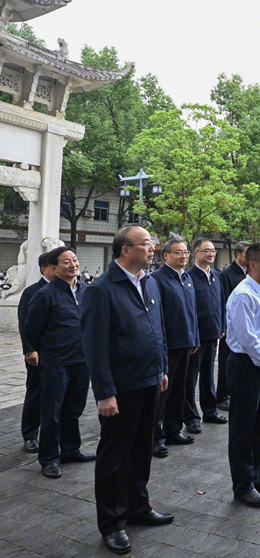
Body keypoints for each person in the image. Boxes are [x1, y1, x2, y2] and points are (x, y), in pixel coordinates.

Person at [82, 225, 172, 555]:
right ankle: (111, 523)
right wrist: (104, 392)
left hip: (149, 381)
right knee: (115, 457)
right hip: (121, 388)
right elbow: (94, 346)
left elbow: (157, 329)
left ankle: (138, 507)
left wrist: (161, 368)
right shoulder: (102, 289)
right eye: (146, 244)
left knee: (141, 450)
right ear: (126, 250)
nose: (153, 248)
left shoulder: (149, 282)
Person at [24, 246, 94, 478]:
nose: (73, 265)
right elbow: (32, 329)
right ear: (53, 268)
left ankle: (71, 450)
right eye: (66, 262)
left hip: (82, 360)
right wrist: (39, 350)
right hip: (56, 362)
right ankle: (49, 459)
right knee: (52, 413)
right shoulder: (44, 294)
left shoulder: (86, 290)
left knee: (73, 410)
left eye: (74, 260)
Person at [226, 242, 260, 508]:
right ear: (252, 264)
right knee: (242, 428)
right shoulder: (243, 295)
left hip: (259, 363)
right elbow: (247, 337)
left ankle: (255, 476)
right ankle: (242, 486)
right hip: (244, 365)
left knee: (257, 426)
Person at [150, 236, 200, 457]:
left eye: (186, 252)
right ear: (166, 255)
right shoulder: (156, 279)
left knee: (180, 390)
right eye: (178, 252)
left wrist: (194, 337)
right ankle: (155, 438)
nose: (184, 256)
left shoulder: (187, 277)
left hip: (186, 343)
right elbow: (157, 316)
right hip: (168, 345)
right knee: (162, 393)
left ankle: (173, 430)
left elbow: (192, 311)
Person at [184, 238, 227, 432]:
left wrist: (222, 325)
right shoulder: (189, 277)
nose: (211, 254)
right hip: (195, 336)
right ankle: (191, 417)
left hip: (213, 333)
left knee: (208, 375)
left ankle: (210, 411)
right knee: (191, 377)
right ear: (196, 253)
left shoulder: (217, 276)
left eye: (213, 251)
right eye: (206, 250)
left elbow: (221, 303)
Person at [17, 251, 54, 453]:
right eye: (55, 265)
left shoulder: (70, 289)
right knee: (36, 393)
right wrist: (29, 350)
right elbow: (25, 323)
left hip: (62, 353)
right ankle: (30, 434)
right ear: (44, 269)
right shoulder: (32, 292)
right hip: (39, 353)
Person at [217, 241, 249, 412]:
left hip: (244, 325)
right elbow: (223, 301)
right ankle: (222, 395)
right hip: (230, 327)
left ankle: (235, 392)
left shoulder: (248, 273)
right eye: (246, 253)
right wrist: (223, 326)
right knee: (226, 361)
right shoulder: (227, 274)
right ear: (238, 254)